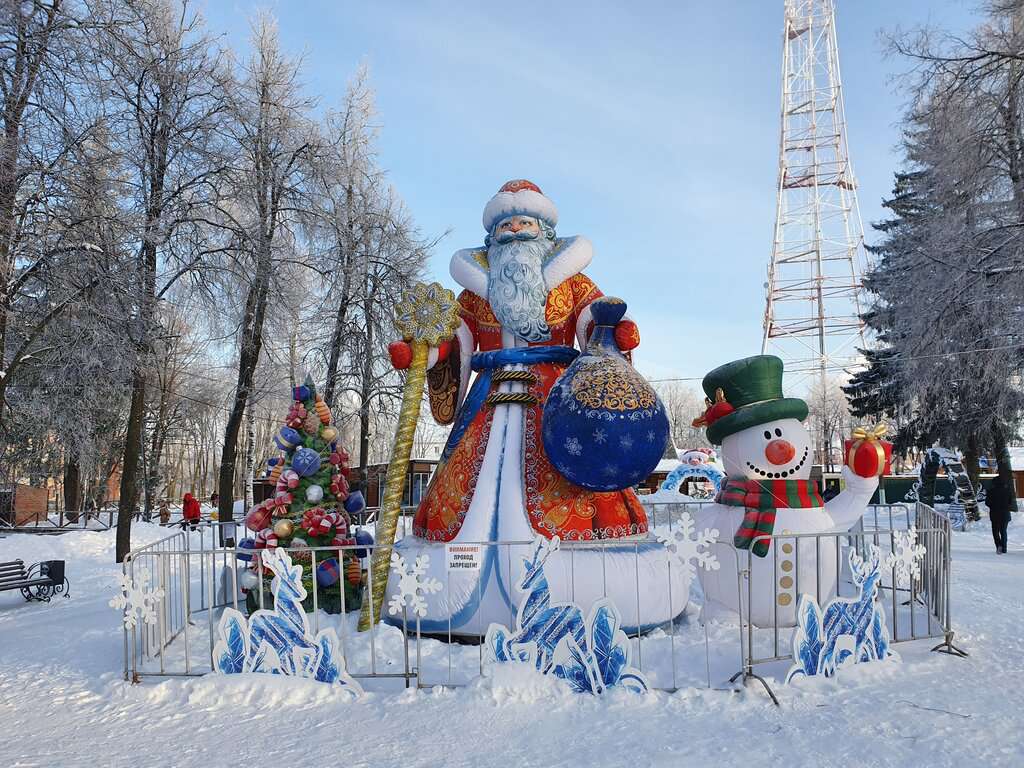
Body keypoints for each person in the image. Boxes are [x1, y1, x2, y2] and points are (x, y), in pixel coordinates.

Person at [388, 179, 647, 544]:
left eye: (524, 222)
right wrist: (423, 353)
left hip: (557, 392)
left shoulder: (573, 282)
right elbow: (454, 337)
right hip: (490, 391)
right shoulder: (475, 291)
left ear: (546, 230)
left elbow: (594, 318)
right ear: (492, 236)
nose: (513, 230)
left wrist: (613, 331)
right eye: (504, 225)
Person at [986, 477, 1013, 554]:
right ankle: (1004, 548)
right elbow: (1010, 502)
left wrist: (992, 506)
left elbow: (987, 503)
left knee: (995, 531)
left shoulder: (991, 491)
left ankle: (998, 546)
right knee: (1003, 531)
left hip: (995, 514)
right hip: (1005, 514)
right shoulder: (1008, 491)